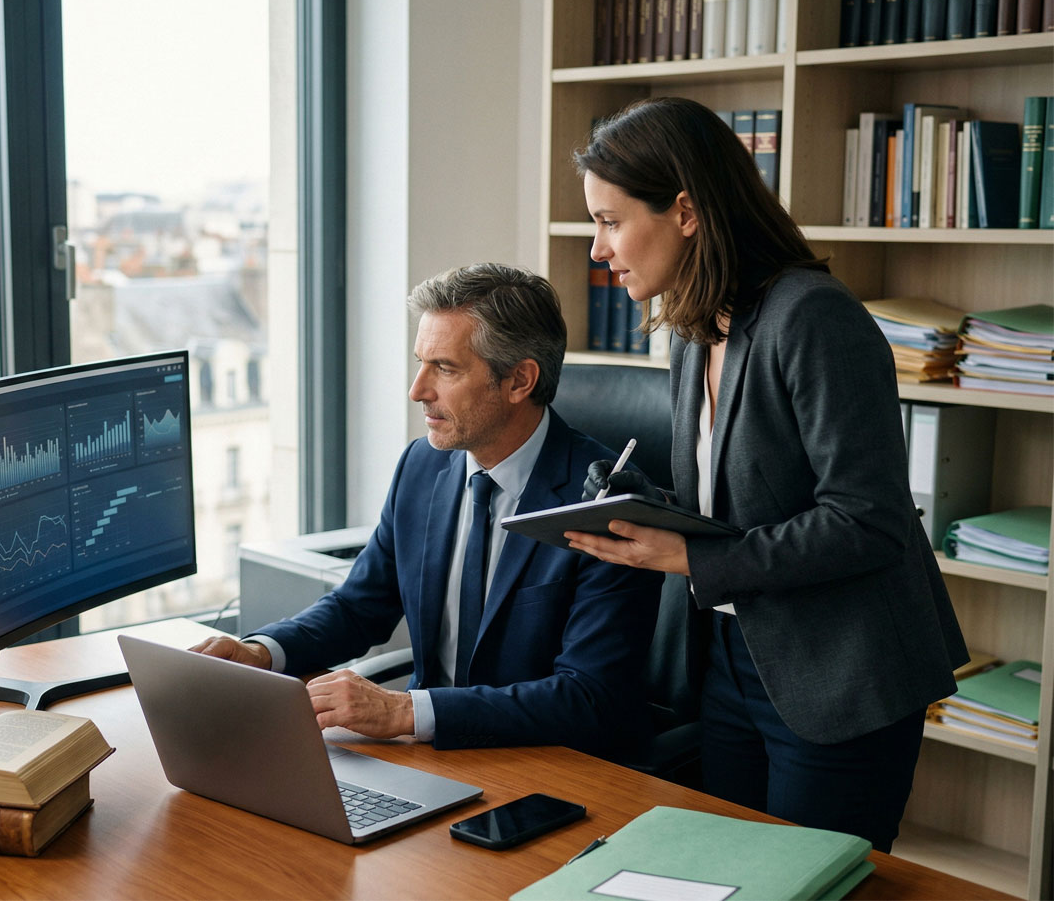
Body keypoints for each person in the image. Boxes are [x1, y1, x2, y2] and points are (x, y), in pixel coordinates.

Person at [563, 97, 968, 851]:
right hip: (732, 657)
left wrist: (690, 555)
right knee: (734, 874)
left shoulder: (814, 318)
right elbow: (739, 502)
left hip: (839, 675)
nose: (597, 248)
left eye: (611, 221)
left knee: (806, 884)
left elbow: (867, 520)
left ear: (685, 210)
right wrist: (651, 509)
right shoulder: (694, 330)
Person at [193, 263, 661, 760]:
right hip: (432, 755)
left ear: (520, 380)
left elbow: (588, 697)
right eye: (421, 363)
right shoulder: (423, 465)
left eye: (445, 368)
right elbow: (360, 606)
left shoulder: (605, 504)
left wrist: (404, 712)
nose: (418, 390)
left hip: (556, 768)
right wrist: (261, 652)